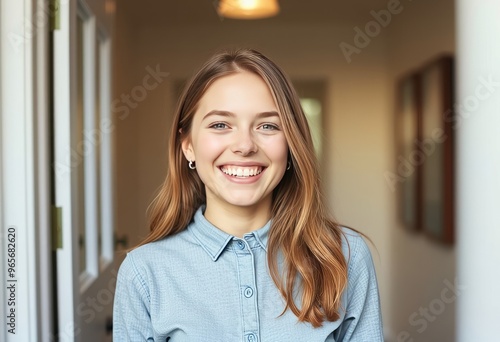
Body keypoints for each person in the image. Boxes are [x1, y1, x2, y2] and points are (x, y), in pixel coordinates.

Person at [113, 48, 383, 341]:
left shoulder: (345, 256)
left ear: (291, 144)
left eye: (268, 125)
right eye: (220, 125)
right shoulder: (144, 272)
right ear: (187, 144)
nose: (244, 145)